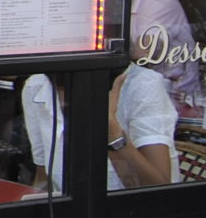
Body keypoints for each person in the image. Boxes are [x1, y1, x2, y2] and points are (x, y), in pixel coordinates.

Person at [23, 64, 177, 192]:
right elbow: (44, 177)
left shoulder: (141, 84)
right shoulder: (36, 86)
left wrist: (112, 132)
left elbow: (157, 192)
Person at [130, 0, 202, 112]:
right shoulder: (118, 5)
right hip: (144, 90)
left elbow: (143, 52)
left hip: (175, 98)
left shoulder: (158, 0)